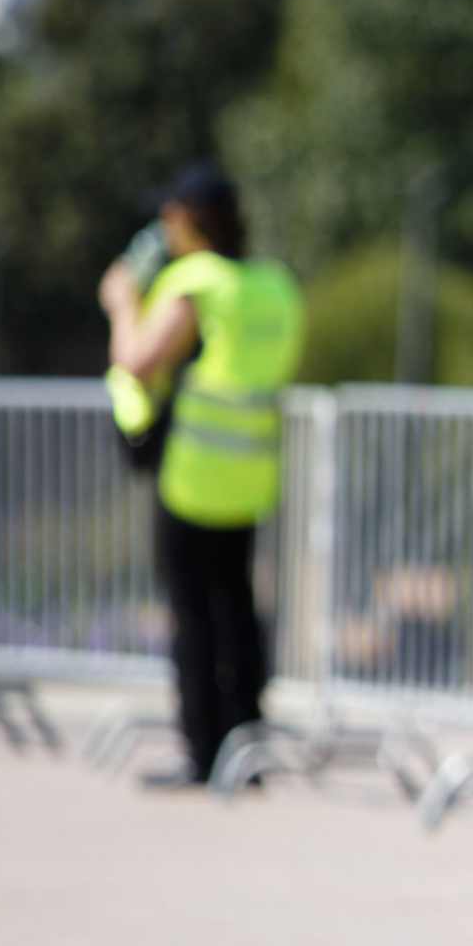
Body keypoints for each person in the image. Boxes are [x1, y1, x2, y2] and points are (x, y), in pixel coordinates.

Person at [98, 163, 306, 788]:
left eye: (169, 215)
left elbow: (136, 362)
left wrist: (121, 304)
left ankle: (202, 752)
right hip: (250, 475)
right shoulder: (272, 285)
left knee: (192, 615)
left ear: (190, 221)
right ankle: (248, 748)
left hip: (191, 477)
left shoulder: (197, 282)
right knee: (238, 609)